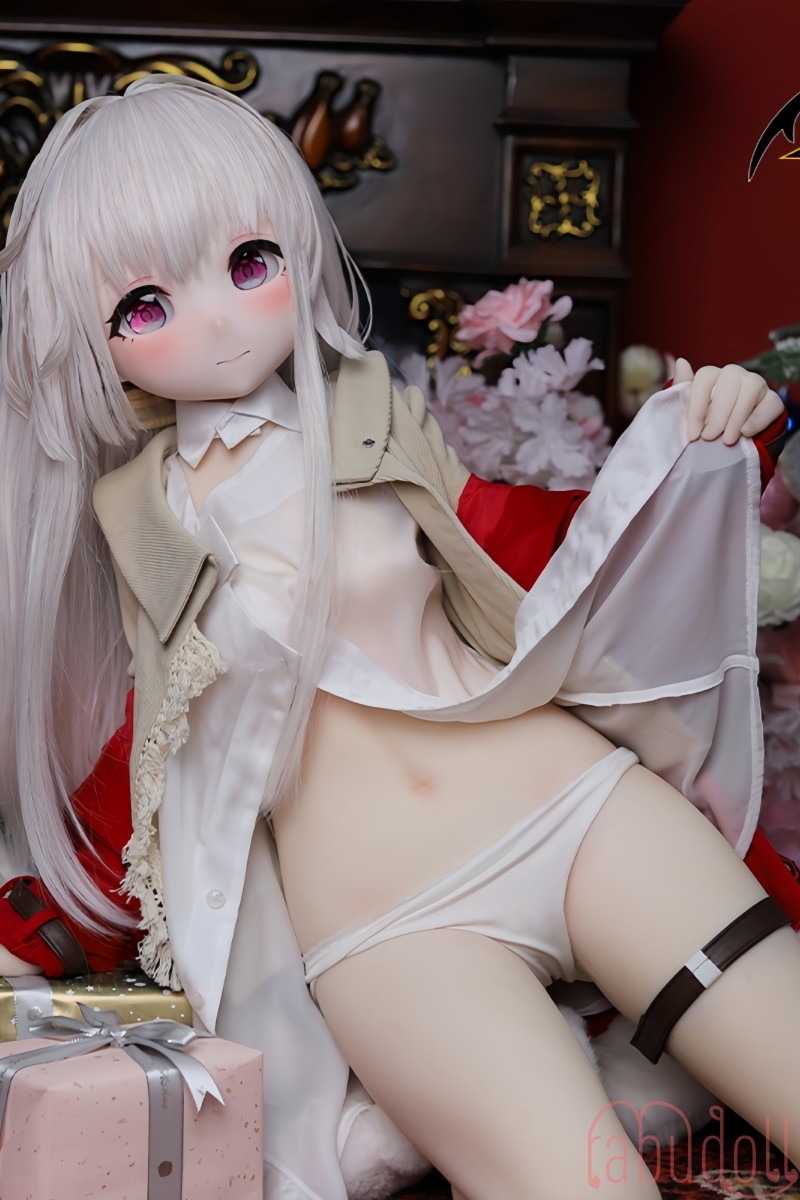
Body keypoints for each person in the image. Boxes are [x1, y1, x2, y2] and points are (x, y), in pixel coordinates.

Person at [0, 74, 798, 1200]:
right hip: (390, 933)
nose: (218, 320)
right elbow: (154, 756)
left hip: (575, 813)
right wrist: (35, 927)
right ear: (88, 342)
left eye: (249, 263)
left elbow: (532, 546)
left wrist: (704, 447)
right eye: (144, 306)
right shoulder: (137, 519)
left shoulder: (374, 415)